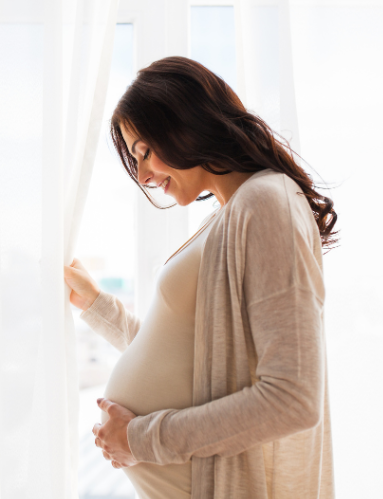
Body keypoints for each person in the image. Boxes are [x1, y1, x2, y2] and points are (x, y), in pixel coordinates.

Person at [63, 56, 337, 499]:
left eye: (144, 152)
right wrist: (98, 307)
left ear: (183, 122)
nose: (144, 176)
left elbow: (293, 399)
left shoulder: (266, 204)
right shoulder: (233, 212)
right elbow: (191, 361)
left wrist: (139, 440)